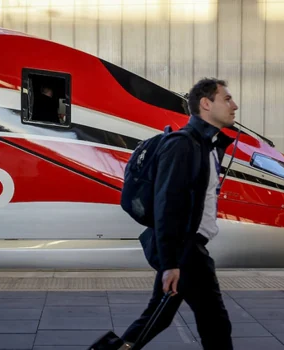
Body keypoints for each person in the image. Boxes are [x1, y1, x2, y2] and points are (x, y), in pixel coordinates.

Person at [119, 78, 238, 350]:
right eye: (227, 99)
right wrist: (171, 262)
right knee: (215, 323)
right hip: (186, 251)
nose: (235, 105)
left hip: (186, 250)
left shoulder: (206, 146)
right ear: (206, 104)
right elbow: (167, 205)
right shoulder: (183, 145)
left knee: (158, 318)